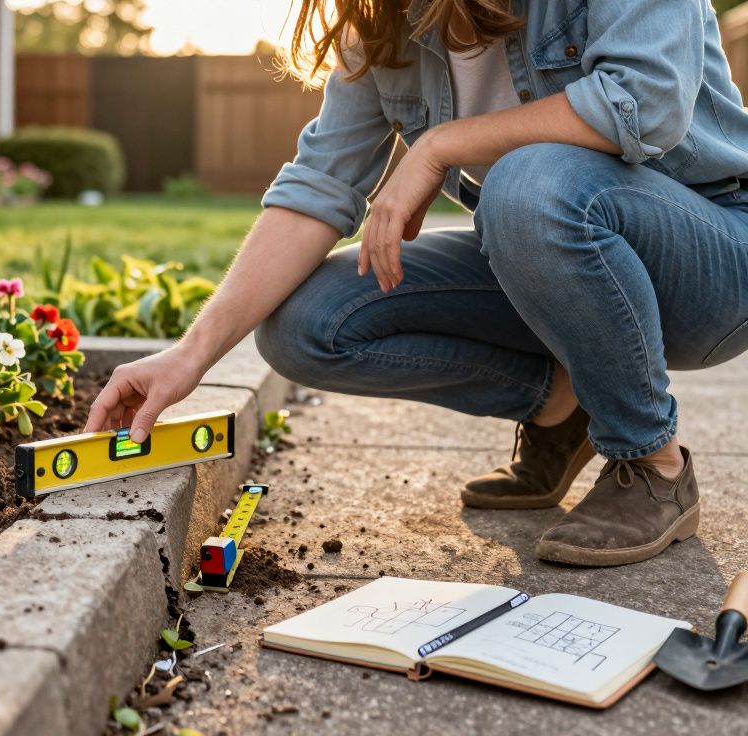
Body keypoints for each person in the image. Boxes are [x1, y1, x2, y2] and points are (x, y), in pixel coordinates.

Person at [85, 0, 748, 567]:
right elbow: (320, 185)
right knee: (306, 324)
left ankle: (652, 466)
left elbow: (646, 101)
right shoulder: (386, 21)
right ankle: (565, 404)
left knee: (525, 185)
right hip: (556, 251)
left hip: (714, 264)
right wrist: (191, 356)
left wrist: (439, 145)